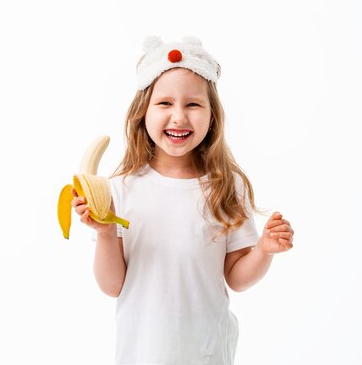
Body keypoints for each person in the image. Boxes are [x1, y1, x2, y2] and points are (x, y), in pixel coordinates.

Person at [71, 36, 294, 365]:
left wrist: (263, 251)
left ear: (212, 115)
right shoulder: (120, 189)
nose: (179, 116)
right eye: (164, 104)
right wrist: (105, 232)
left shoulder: (226, 187)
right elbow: (112, 285)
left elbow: (236, 277)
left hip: (206, 354)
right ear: (142, 113)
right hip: (141, 354)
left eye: (192, 104)